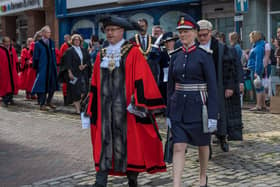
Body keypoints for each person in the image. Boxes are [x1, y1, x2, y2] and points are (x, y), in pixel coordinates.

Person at [86, 15, 166, 187]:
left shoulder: (133, 52)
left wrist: (138, 103)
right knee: (104, 143)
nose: (109, 33)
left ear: (122, 31)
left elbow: (142, 80)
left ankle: (132, 179)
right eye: (107, 30)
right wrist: (90, 108)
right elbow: (94, 83)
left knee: (131, 146)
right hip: (105, 111)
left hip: (126, 111)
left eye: (113, 30)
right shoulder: (101, 54)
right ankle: (100, 180)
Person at [167, 14, 218, 187]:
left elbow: (212, 86)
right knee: (178, 146)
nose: (183, 35)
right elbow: (170, 87)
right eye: (180, 32)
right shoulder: (175, 56)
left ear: (195, 33)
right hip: (178, 108)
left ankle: (202, 176)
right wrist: (168, 112)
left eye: (186, 31)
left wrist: (213, 114)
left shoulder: (204, 55)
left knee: (203, 145)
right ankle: (176, 183)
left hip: (199, 107)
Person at [197, 20, 240, 153]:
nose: (202, 38)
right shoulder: (193, 47)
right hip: (200, 88)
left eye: (205, 35)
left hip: (218, 85)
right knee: (202, 115)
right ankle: (205, 144)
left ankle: (222, 137)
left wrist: (230, 86)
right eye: (200, 35)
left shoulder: (221, 48)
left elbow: (230, 68)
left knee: (220, 113)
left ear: (210, 33)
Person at [62, 34, 91, 114]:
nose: (77, 41)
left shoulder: (84, 50)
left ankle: (80, 104)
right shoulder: (69, 51)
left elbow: (88, 60)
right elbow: (67, 63)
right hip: (74, 74)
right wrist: (69, 73)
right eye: (75, 40)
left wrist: (84, 65)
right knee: (75, 91)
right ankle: (78, 109)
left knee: (84, 91)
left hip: (83, 73)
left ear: (80, 41)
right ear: (72, 41)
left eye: (78, 40)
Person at [32, 25, 59, 111]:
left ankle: (49, 101)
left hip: (51, 68)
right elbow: (35, 57)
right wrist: (37, 68)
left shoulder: (51, 42)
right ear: (43, 33)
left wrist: (56, 65)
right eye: (48, 32)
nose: (49, 33)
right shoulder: (38, 44)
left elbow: (54, 55)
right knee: (42, 86)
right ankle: (42, 103)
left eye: (50, 32)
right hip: (43, 68)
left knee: (53, 85)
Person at [130, 18, 160, 83]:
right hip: (138, 73)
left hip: (151, 72)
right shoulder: (132, 41)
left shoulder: (154, 40)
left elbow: (158, 57)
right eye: (139, 27)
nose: (141, 28)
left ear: (146, 27)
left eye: (143, 26)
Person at [247, 31, 265, 111]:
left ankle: (258, 105)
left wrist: (256, 72)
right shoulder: (257, 46)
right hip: (254, 69)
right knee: (260, 87)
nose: (249, 39)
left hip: (255, 70)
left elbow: (258, 61)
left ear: (254, 38)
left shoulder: (258, 48)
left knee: (258, 88)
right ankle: (261, 105)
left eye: (250, 37)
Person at [158, 32, 178, 104]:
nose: (168, 44)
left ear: (174, 42)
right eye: (166, 42)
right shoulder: (161, 54)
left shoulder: (179, 54)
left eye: (170, 41)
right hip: (164, 84)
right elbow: (152, 60)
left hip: (177, 83)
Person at [0, 37, 19, 107]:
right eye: (6, 42)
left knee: (12, 85)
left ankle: (10, 99)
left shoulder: (12, 49)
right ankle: (5, 100)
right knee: (5, 86)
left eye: (9, 42)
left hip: (12, 71)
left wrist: (17, 68)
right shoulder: (1, 50)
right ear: (3, 43)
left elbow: (16, 59)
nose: (8, 43)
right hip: (4, 71)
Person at [60, 34, 72, 105]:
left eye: (67, 38)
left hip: (71, 66)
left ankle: (70, 99)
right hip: (65, 67)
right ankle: (66, 100)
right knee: (65, 84)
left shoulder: (71, 45)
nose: (66, 39)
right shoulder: (64, 46)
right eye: (65, 38)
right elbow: (62, 56)